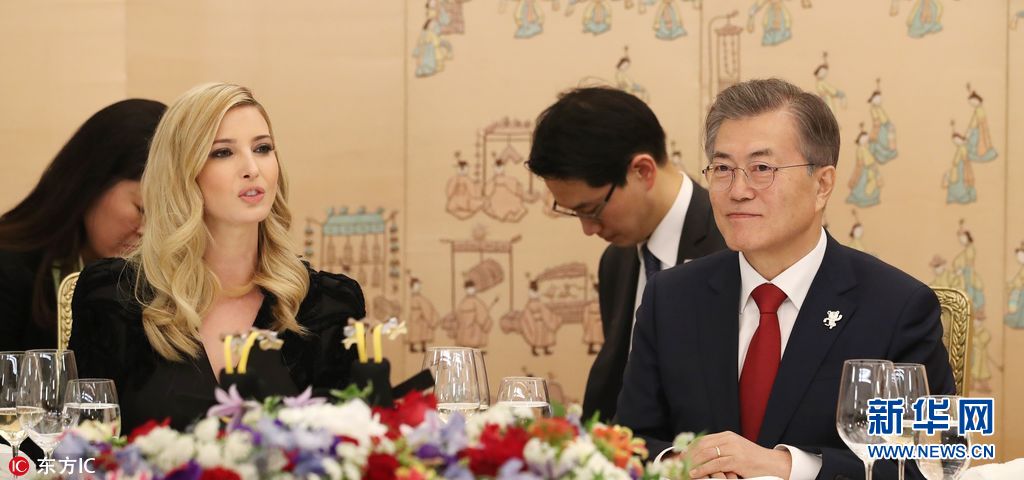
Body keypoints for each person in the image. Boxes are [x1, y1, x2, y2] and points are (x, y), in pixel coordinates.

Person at [616, 78, 954, 479]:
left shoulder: (897, 307)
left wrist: (786, 466)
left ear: (822, 184)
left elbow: (935, 459)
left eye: (762, 168)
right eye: (722, 169)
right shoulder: (671, 297)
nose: (738, 190)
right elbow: (630, 442)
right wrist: (682, 464)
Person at [69, 83, 365, 433]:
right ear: (182, 173)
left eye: (263, 148)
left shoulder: (329, 303)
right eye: (223, 153)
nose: (252, 168)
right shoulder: (114, 295)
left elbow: (352, 445)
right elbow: (77, 446)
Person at [527, 86, 726, 422]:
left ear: (642, 171)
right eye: (575, 214)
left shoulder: (732, 243)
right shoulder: (616, 261)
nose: (588, 229)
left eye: (591, 209)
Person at [0, 99, 166, 351]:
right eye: (141, 209)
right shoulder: (9, 268)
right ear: (93, 184)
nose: (147, 232)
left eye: (166, 219)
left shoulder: (164, 286)